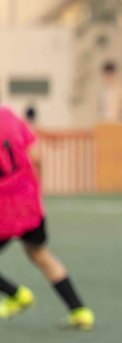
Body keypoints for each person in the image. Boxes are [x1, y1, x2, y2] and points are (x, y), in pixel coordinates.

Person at [0, 106, 95, 329]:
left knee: (37, 253)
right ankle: (80, 311)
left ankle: (17, 295)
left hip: (3, 208)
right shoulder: (8, 116)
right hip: (27, 200)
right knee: (39, 253)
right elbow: (36, 155)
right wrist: (35, 187)